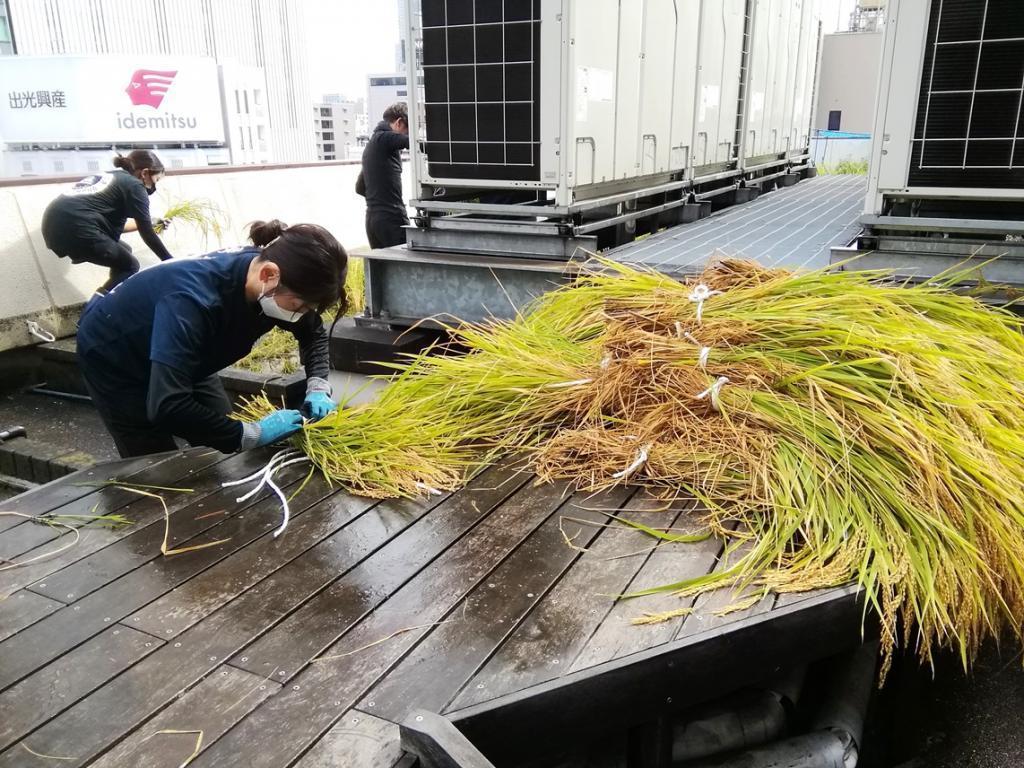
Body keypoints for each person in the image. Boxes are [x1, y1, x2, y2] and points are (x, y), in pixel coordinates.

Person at [76, 219, 347, 458]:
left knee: (216, 427)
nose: (303, 314)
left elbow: (313, 334)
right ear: (268, 275)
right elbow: (168, 406)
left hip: (183, 350)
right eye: (301, 305)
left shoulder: (274, 281)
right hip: (115, 354)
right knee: (156, 462)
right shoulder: (193, 301)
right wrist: (254, 433)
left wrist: (318, 385)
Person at [41, 149, 173, 294]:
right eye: (156, 180)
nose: (154, 186)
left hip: (53, 226)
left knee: (124, 252)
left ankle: (110, 300)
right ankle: (96, 312)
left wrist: (152, 222)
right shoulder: (135, 186)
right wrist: (170, 261)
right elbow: (147, 233)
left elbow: (115, 225)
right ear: (145, 173)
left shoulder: (113, 178)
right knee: (130, 266)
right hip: (78, 226)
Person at [358, 102, 410, 248]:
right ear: (399, 122)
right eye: (408, 130)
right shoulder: (384, 138)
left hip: (372, 221)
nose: (407, 135)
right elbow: (412, 142)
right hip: (391, 218)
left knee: (382, 269)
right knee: (405, 268)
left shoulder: (372, 146)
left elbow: (359, 187)